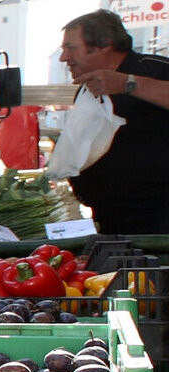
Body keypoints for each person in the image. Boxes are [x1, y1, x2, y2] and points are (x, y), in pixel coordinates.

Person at [59, 10, 169, 234]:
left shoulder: (155, 68)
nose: (63, 57)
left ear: (104, 44)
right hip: (110, 221)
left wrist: (128, 84)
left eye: (70, 47)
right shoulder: (87, 90)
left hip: (158, 222)